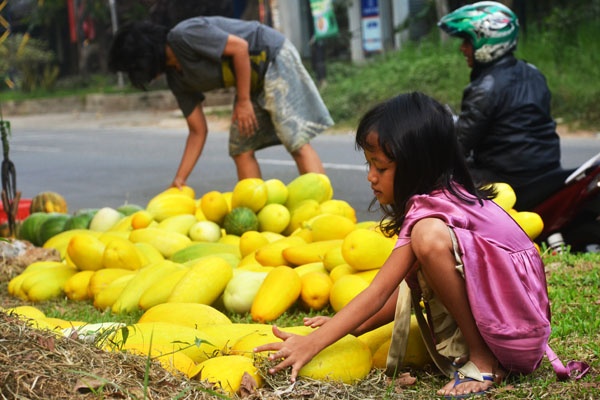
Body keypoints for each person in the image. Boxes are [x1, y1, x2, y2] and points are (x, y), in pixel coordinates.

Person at [254, 92, 550, 398]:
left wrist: (311, 344)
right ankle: (485, 354)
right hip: (522, 333)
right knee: (427, 241)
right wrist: (343, 329)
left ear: (416, 166)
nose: (370, 177)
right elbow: (401, 292)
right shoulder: (448, 199)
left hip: (516, 338)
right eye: (369, 165)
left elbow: (377, 292)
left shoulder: (430, 215)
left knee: (428, 237)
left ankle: (483, 360)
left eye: (380, 168)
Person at [108, 17, 334, 188]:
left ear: (143, 57)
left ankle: (325, 210)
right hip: (252, 79)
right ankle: (257, 215)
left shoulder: (184, 35)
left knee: (295, 139)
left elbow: (239, 48)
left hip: (271, 56)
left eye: (132, 69)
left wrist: (243, 101)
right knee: (241, 148)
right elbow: (197, 131)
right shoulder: (177, 79)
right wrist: (179, 180)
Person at [438, 2, 562, 208]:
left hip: (507, 178)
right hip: (547, 170)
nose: (463, 48)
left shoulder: (486, 87)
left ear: (487, 41)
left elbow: (459, 144)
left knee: (441, 183)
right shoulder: (534, 73)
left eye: (468, 41)